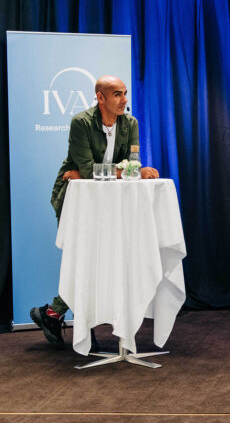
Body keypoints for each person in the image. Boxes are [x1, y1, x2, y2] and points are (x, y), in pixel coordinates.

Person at [30, 75, 159, 349]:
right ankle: (79, 328)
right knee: (83, 258)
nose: (124, 100)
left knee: (107, 258)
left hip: (113, 199)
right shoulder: (81, 123)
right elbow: (90, 170)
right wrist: (124, 172)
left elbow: (133, 163)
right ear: (100, 98)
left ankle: (52, 313)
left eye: (125, 93)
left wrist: (121, 171)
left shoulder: (131, 123)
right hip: (77, 198)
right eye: (117, 94)